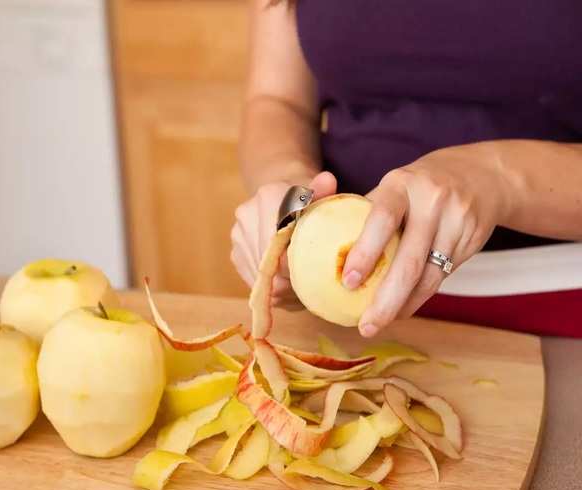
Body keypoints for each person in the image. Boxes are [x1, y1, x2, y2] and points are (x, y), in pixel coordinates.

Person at [230, 0, 582, 338]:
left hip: (558, 310)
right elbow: (278, 101)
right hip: (345, 321)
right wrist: (288, 191)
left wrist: (500, 179)